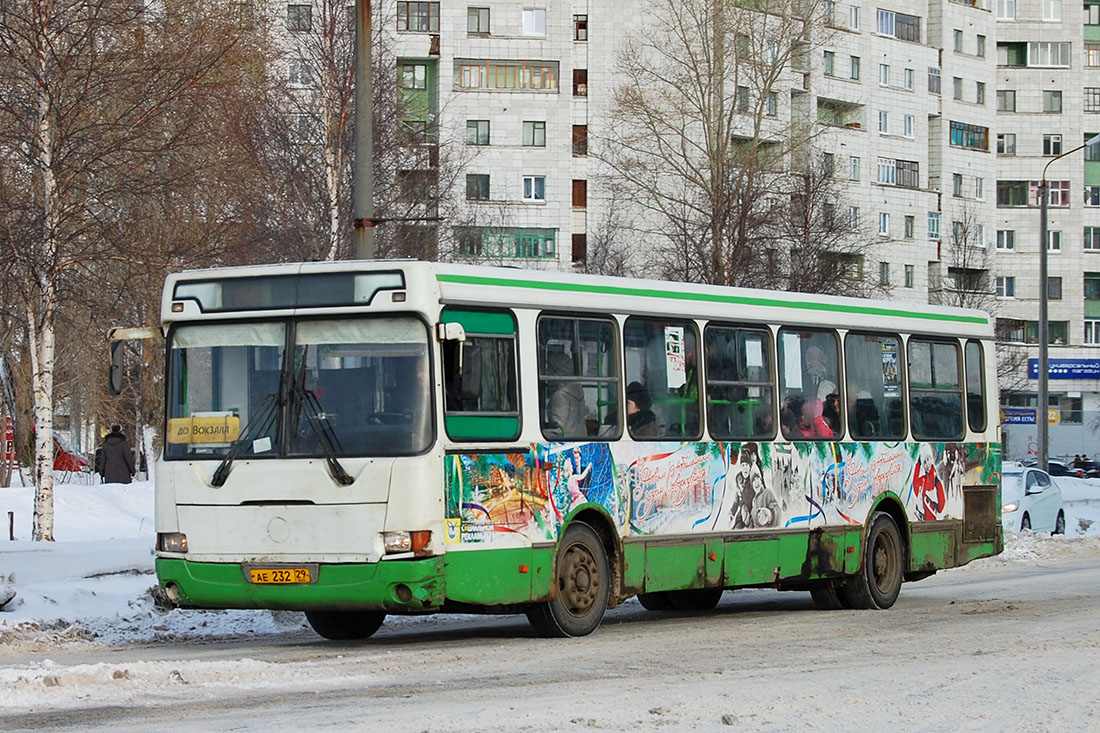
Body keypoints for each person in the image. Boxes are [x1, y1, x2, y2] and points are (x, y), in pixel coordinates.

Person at [545, 351, 587, 438]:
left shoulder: (560, 396)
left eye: (549, 368)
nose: (547, 373)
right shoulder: (577, 391)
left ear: (557, 372)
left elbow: (558, 430)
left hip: (566, 443)